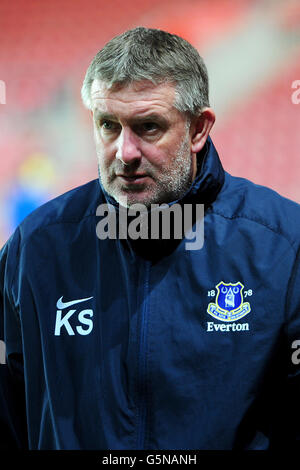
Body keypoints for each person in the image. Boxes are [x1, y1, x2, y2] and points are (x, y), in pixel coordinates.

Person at [1, 26, 300, 451]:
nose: (124, 152)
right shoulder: (36, 247)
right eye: (108, 125)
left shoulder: (284, 245)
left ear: (199, 128)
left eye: (148, 127)